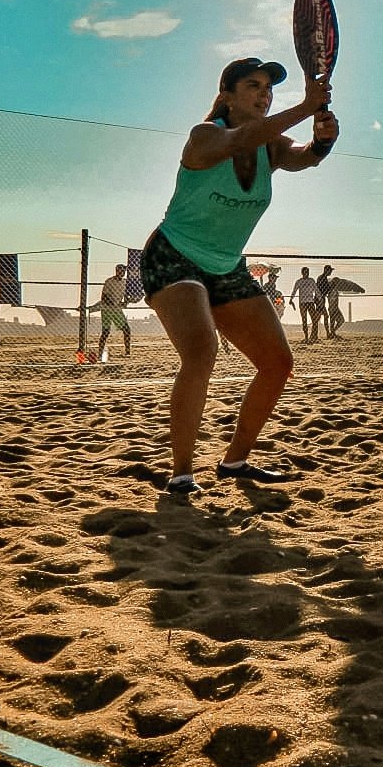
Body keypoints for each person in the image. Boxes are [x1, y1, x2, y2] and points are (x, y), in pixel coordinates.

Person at [140, 56, 338, 494]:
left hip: (226, 264)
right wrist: (307, 107)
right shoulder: (205, 135)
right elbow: (241, 139)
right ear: (226, 95)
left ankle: (235, 462)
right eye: (253, 85)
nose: (264, 94)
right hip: (173, 256)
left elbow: (303, 158)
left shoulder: (272, 145)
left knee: (277, 362)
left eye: (268, 88)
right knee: (202, 350)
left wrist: (322, 141)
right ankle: (181, 473)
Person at [98, 264, 133, 358]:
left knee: (127, 330)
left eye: (124, 271)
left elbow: (126, 296)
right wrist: (113, 303)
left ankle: (127, 352)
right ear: (116, 271)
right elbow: (104, 297)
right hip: (107, 309)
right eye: (120, 271)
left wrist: (125, 302)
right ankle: (100, 353)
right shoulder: (109, 281)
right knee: (106, 332)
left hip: (117, 309)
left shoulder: (125, 282)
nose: (122, 273)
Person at [291, 266, 320, 343]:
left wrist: (320, 299)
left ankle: (313, 336)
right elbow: (294, 290)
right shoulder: (299, 281)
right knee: (304, 320)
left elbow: (316, 290)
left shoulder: (311, 280)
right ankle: (306, 337)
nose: (306, 274)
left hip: (310, 302)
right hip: (302, 302)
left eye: (307, 272)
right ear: (302, 273)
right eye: (305, 272)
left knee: (314, 319)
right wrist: (291, 299)